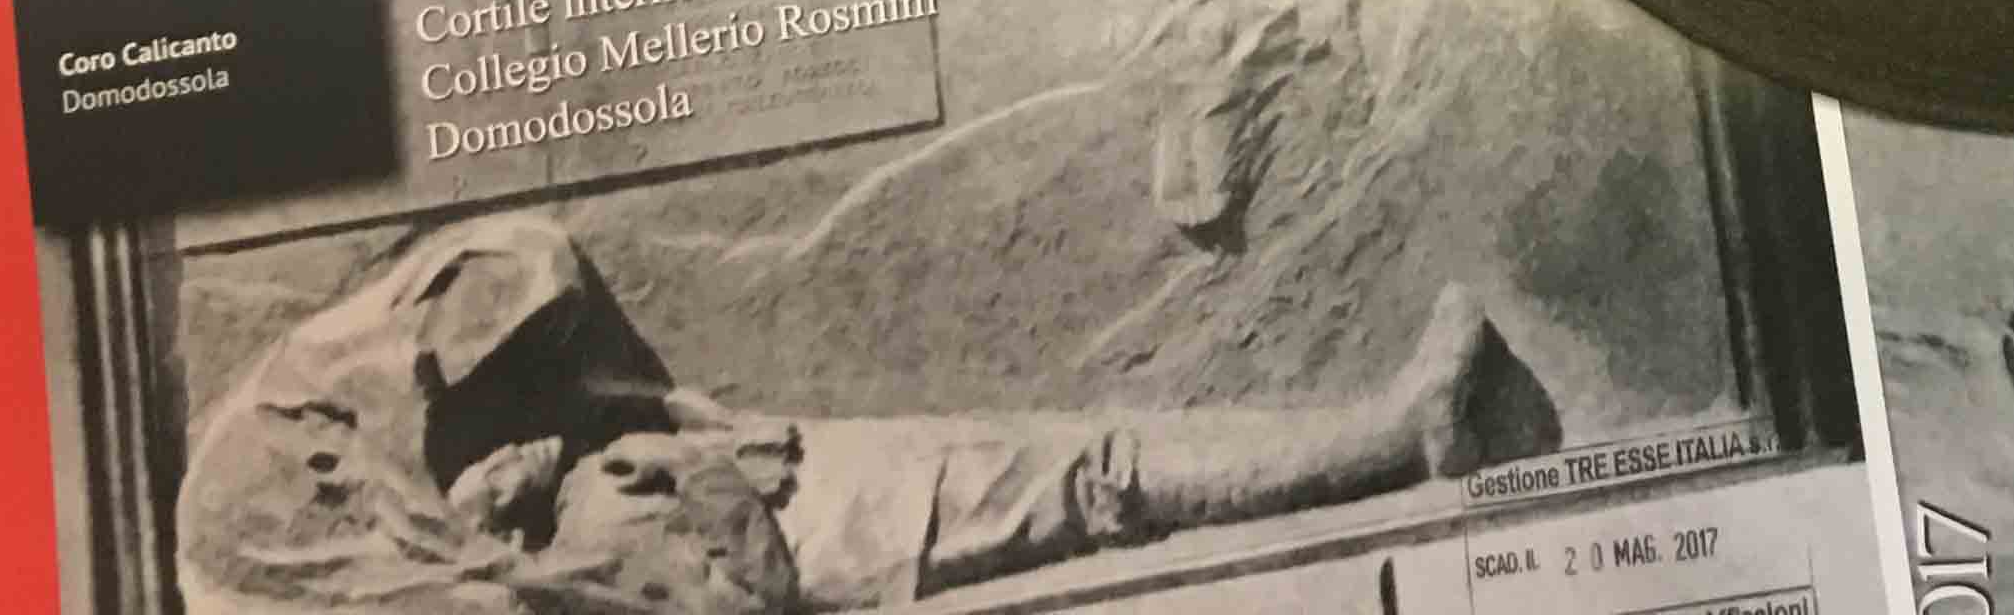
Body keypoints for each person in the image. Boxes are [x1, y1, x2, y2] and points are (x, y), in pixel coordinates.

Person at [175, 215, 1560, 614]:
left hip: (766, 487)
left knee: (1090, 474)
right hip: (800, 532)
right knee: (1091, 481)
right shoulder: (319, 536)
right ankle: (1399, 441)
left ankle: (1394, 436)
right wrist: (526, 500)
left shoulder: (330, 470)